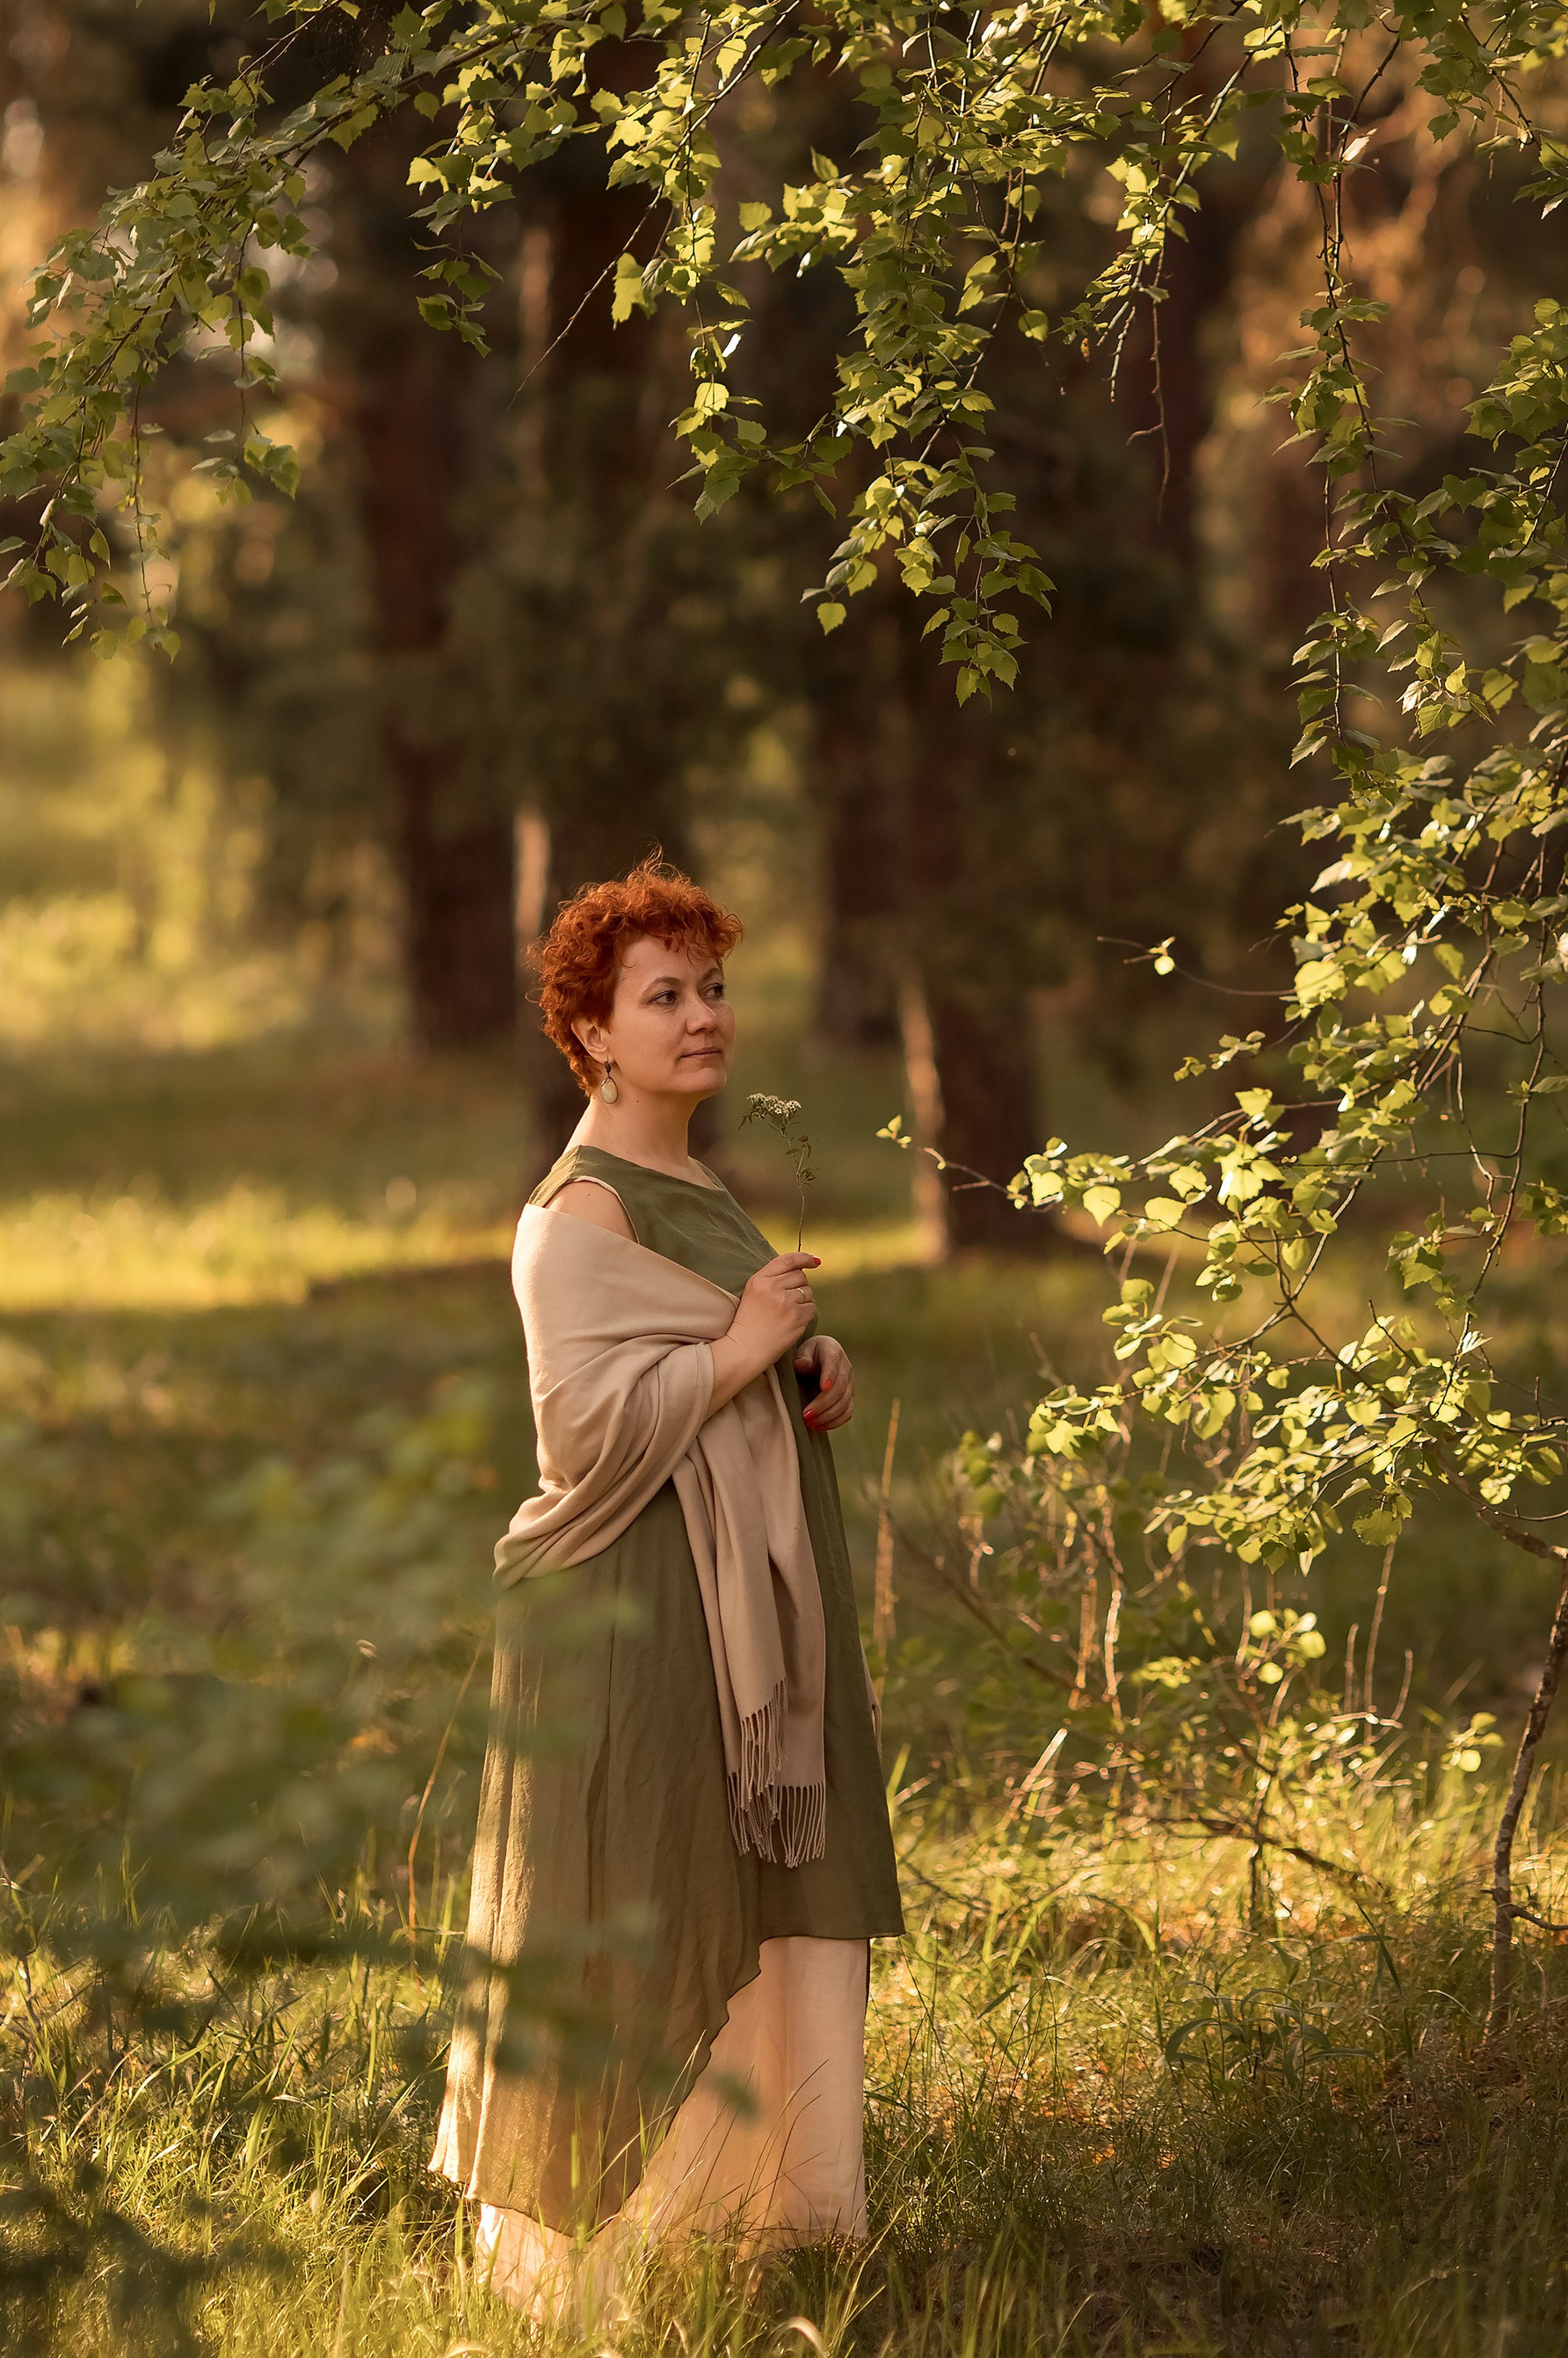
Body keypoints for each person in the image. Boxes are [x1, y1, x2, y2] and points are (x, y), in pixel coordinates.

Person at [431, 856, 903, 2310]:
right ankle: (600, 2261)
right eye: (664, 996)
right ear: (591, 1035)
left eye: (712, 988)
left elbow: (710, 1355)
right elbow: (584, 1430)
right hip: (634, 1603)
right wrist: (747, 1349)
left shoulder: (690, 1181)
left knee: (760, 1885)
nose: (703, 1017)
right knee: (644, 1888)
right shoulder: (579, 1213)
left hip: (736, 1606)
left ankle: (747, 2223)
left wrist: (802, 1361)